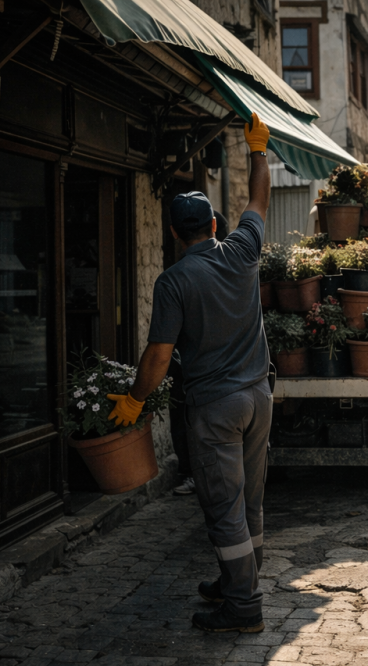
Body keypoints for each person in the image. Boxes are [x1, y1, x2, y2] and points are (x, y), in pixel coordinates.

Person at [107, 112, 274, 634]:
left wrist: (134, 400)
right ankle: (239, 580)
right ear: (215, 226)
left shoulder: (174, 281)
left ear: (176, 234)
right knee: (249, 501)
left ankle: (243, 606)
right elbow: (259, 200)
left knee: (224, 507)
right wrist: (258, 150)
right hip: (258, 397)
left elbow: (159, 356)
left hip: (216, 408)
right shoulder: (243, 249)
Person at [169, 211, 233, 498]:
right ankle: (196, 473)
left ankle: (200, 474)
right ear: (215, 228)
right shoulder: (233, 266)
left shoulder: (181, 274)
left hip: (204, 369)